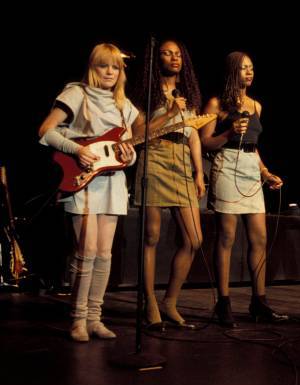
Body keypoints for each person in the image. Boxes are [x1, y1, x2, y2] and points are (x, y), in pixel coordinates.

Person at [38, 43, 138, 342]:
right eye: (103, 66)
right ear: (92, 68)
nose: (110, 72)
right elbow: (46, 130)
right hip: (82, 180)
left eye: (115, 67)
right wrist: (78, 149)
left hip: (112, 182)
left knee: (105, 254)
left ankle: (95, 317)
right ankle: (78, 319)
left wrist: (129, 155)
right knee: (87, 251)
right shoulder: (76, 94)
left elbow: (128, 153)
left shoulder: (124, 106)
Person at [201, 51, 287, 327]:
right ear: (231, 72)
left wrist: (265, 172)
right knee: (226, 237)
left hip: (250, 167)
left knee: (259, 238)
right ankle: (223, 302)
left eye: (251, 68)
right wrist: (228, 133)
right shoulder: (217, 103)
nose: (249, 73)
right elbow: (205, 142)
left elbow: (254, 147)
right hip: (226, 164)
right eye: (243, 68)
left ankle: (259, 302)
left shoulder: (256, 105)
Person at [132, 39, 205, 329]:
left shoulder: (188, 95)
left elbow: (194, 135)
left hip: (182, 162)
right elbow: (137, 134)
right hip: (156, 156)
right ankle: (148, 301)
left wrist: (199, 172)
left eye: (178, 54)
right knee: (151, 236)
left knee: (194, 238)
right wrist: (169, 113)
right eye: (166, 53)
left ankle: (170, 301)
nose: (174, 58)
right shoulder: (145, 95)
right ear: (155, 59)